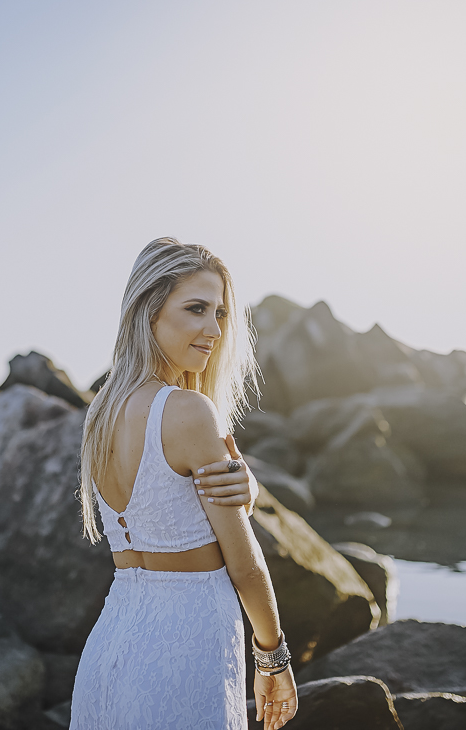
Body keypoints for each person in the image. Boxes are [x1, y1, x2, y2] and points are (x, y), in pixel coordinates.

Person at [70, 238, 299, 730]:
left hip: (108, 650)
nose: (214, 330)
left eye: (219, 313)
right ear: (148, 310)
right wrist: (273, 658)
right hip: (183, 650)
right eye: (196, 309)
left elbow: (164, 513)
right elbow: (244, 564)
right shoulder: (189, 411)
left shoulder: (100, 414)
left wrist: (249, 494)